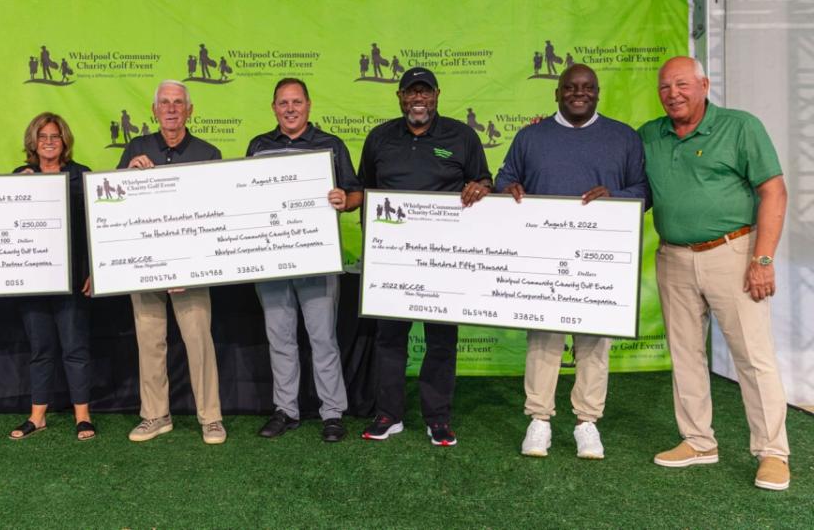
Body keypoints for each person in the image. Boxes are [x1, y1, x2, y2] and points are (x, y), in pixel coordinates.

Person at [641, 56, 790, 491]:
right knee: (686, 354)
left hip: (734, 253)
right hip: (673, 257)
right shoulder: (650, 134)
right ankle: (698, 441)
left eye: (683, 84)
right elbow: (629, 186)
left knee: (753, 357)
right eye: (665, 87)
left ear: (704, 84)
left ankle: (773, 453)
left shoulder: (741, 126)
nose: (674, 94)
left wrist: (762, 259)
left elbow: (773, 191)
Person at [489, 64, 648, 459]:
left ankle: (587, 423)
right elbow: (502, 179)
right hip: (544, 258)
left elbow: (644, 191)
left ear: (598, 92)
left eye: (588, 88)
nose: (580, 93)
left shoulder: (624, 138)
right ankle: (539, 420)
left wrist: (616, 198)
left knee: (594, 342)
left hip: (599, 261)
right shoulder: (531, 136)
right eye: (571, 88)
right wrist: (508, 188)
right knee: (543, 341)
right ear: (556, 93)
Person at [357, 67, 492, 445]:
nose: (418, 99)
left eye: (425, 92)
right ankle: (389, 414)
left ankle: (438, 418)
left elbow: (484, 180)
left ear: (436, 95)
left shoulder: (461, 136)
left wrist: (479, 188)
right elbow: (365, 190)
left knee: (442, 340)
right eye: (411, 92)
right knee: (389, 339)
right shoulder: (379, 138)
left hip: (443, 261)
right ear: (399, 96)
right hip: (391, 260)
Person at [245, 78, 361, 442]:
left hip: (317, 258)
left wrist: (346, 199)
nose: (290, 108)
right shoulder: (258, 147)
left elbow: (356, 193)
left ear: (309, 105)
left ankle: (332, 413)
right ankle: (286, 410)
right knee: (279, 337)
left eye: (297, 102)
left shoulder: (330, 145)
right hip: (272, 259)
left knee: (323, 337)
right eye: (283, 102)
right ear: (273, 107)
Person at [119, 80, 225, 444]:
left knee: (199, 342)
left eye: (178, 102)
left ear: (190, 110)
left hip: (192, 270)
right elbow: (115, 206)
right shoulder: (136, 148)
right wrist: (127, 175)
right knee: (149, 341)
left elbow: (216, 214)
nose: (171, 108)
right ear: (154, 110)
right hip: (145, 264)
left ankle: (211, 418)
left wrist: (191, 266)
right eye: (164, 102)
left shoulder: (209, 153)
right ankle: (155, 415)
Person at [8, 112, 96, 441]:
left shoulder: (80, 175)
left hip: (73, 279)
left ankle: (82, 417)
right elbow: (8, 225)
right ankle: (37, 416)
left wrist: (92, 269)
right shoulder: (19, 177)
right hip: (33, 280)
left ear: (64, 141)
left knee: (75, 347)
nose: (48, 142)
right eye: (42, 136)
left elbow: (93, 227)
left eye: (55, 137)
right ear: (33, 141)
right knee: (41, 348)